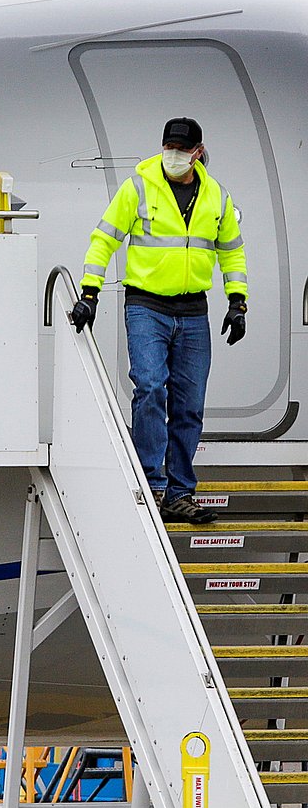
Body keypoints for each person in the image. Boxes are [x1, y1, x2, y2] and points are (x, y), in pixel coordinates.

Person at [70, 117, 247, 524]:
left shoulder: (216, 197)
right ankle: (151, 485)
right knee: (149, 388)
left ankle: (180, 493)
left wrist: (238, 301)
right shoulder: (139, 187)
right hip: (146, 306)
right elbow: (104, 239)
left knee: (190, 405)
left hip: (193, 312)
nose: (174, 154)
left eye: (182, 148)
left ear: (198, 152)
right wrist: (90, 291)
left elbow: (232, 252)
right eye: (169, 145)